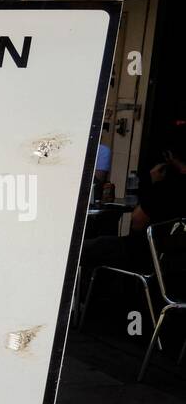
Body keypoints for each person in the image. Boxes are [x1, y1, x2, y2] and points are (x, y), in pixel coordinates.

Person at [81, 125, 186, 294]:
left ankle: (88, 304)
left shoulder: (168, 188)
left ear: (169, 155)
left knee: (84, 248)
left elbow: (137, 221)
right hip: (171, 261)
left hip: (144, 253)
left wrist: (150, 184)